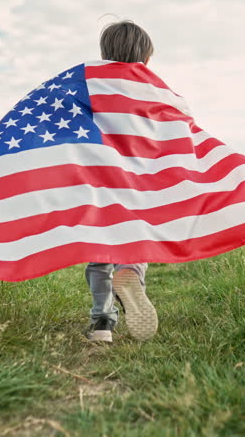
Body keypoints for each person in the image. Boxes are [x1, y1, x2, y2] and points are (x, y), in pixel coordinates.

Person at [85, 21, 159, 343]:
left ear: (105, 52)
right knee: (134, 239)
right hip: (134, 180)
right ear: (144, 57)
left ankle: (102, 323)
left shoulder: (88, 86)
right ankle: (130, 272)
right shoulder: (152, 91)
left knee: (100, 249)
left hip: (98, 180)